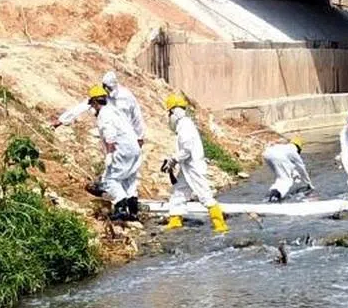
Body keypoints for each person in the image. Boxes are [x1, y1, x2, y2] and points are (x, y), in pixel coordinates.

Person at [162, 93, 228, 233]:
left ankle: (219, 224)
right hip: (187, 167)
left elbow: (186, 149)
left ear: (173, 111)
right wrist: (174, 161)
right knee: (179, 192)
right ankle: (175, 220)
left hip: (194, 168)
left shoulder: (185, 125)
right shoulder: (183, 124)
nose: (169, 116)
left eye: (169, 112)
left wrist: (173, 160)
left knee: (204, 195)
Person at [88, 84, 142, 222]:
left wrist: (110, 154)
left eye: (92, 104)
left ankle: (121, 209)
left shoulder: (103, 115)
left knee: (109, 180)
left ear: (94, 102)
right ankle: (133, 212)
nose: (92, 108)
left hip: (121, 149)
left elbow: (110, 136)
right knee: (129, 179)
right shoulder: (114, 110)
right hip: (134, 148)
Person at [55, 71, 146, 147]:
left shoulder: (126, 96)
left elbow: (136, 117)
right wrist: (61, 120)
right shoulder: (101, 94)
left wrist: (140, 137)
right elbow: (82, 106)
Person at [262, 136, 313, 203]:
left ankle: (272, 194)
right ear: (298, 147)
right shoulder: (293, 150)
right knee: (287, 180)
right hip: (276, 156)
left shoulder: (285, 147)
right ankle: (275, 198)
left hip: (267, 154)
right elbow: (302, 168)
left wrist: (294, 173)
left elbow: (290, 166)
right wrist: (309, 183)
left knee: (280, 178)